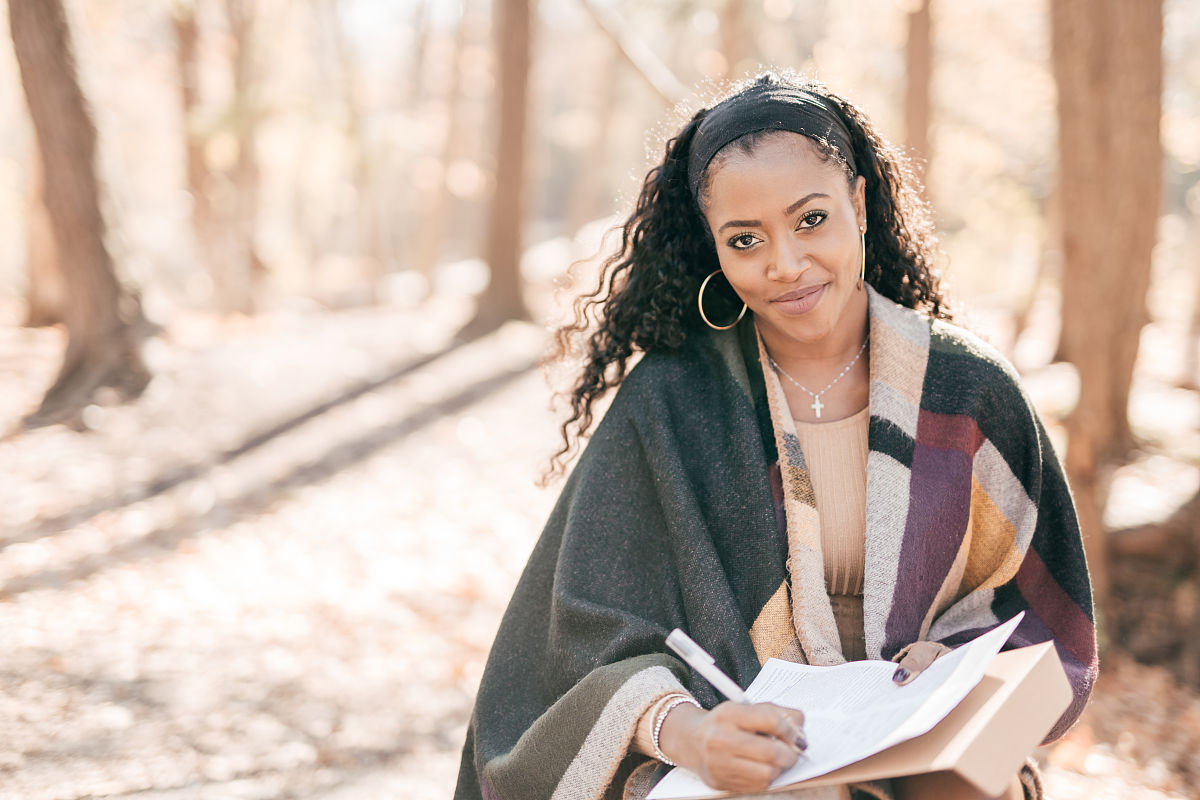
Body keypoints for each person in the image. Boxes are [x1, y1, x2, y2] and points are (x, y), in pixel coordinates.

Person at [454, 72, 1098, 800]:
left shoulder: (967, 390)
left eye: (811, 220)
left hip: (924, 738)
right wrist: (690, 731)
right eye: (745, 239)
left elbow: (1033, 610)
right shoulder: (674, 400)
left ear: (858, 203)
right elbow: (583, 633)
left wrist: (950, 660)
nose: (784, 264)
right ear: (714, 248)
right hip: (734, 748)